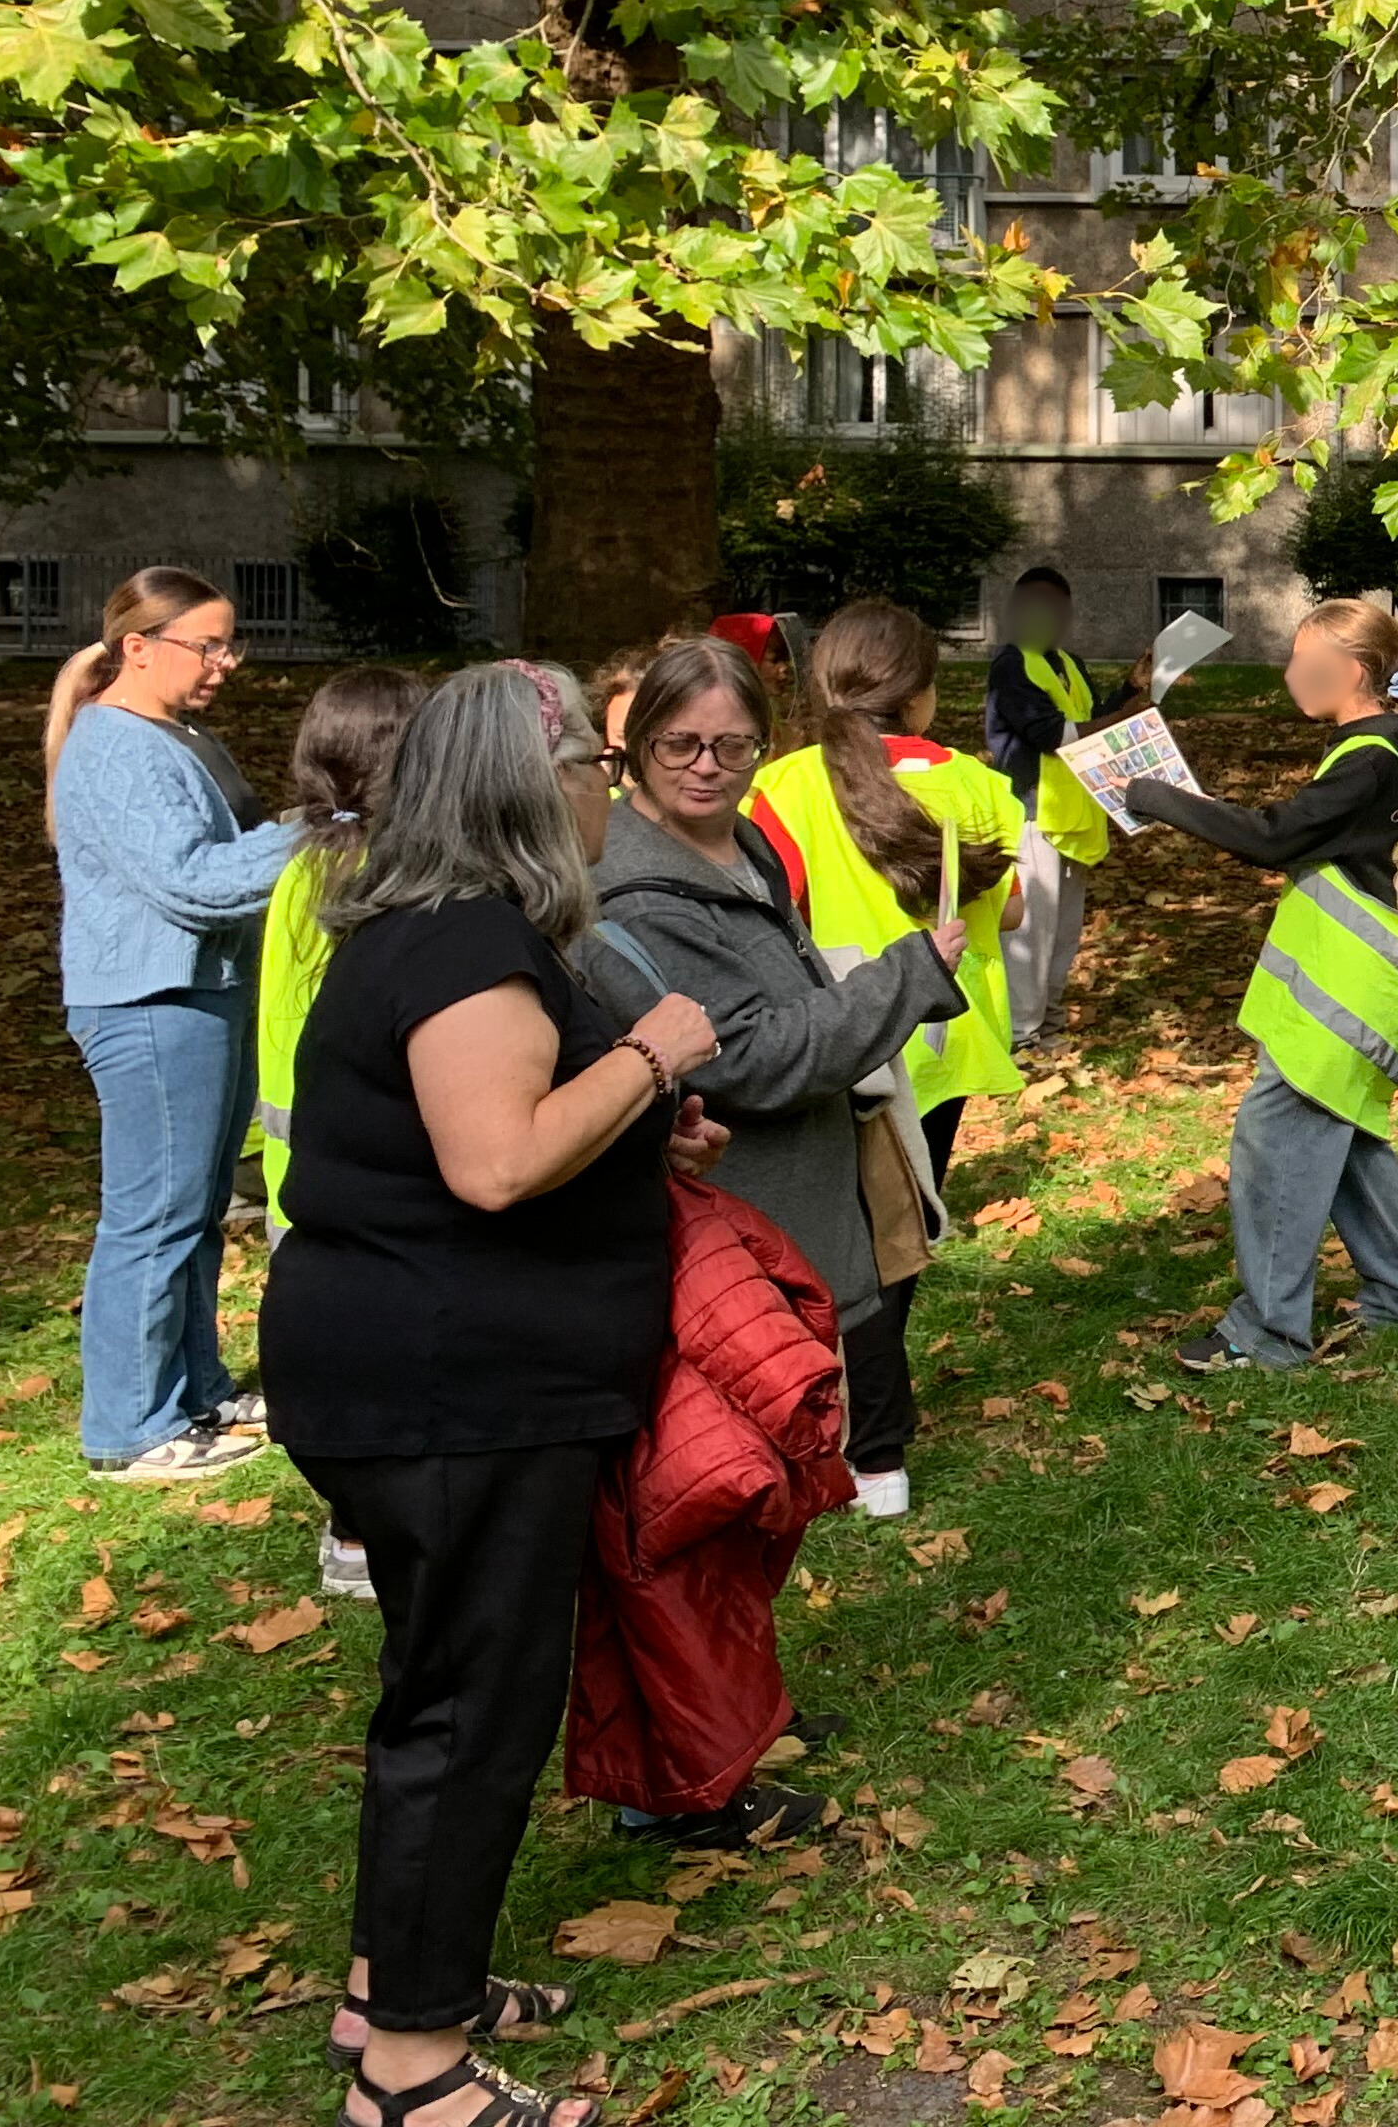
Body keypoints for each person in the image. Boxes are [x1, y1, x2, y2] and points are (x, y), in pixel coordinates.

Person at [264, 661, 729, 2127]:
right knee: (471, 1714)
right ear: (531, 787)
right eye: (594, 765)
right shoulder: (469, 943)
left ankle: (399, 1986)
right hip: (454, 1387)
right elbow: (496, 1160)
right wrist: (657, 1050)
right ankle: (413, 2071)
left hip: (441, 1373)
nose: (610, 787)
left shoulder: (448, 929)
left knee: (437, 1696)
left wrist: (643, 1121)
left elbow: (509, 1136)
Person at [586, 635, 968, 1534]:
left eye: (733, 745)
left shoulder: (744, 843)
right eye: (680, 744)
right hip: (721, 1237)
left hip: (784, 1217)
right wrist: (904, 978)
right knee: (717, 1486)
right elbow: (753, 1057)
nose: (707, 767)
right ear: (637, 744)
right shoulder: (637, 890)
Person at [1126, 599, 1398, 1372]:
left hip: (1343, 1004)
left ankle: (1266, 1335)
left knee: (1275, 1148)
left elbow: (1273, 837)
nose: (1286, 676)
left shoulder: (1369, 762)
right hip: (1363, 1000)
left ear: (1351, 672)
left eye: (1302, 663)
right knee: (1344, 1148)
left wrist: (1159, 798)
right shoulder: (1383, 751)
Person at [745, 603, 1023, 1513]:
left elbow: (763, 909)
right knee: (894, 1244)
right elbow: (1009, 912)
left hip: (833, 1040)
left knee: (825, 1244)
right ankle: (873, 1447)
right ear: (924, 692)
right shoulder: (979, 786)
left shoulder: (779, 788)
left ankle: (848, 1442)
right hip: (942, 1044)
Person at [48, 566, 305, 1486]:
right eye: (208, 645)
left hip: (202, 994)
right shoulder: (117, 745)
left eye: (230, 644)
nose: (225, 663)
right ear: (138, 648)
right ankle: (127, 1426)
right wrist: (321, 831)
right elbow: (194, 881)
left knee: (195, 1206)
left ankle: (196, 1388)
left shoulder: (178, 737)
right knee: (152, 1214)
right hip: (152, 1003)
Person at [255, 667, 428, 1603]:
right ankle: (368, 1528)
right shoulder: (377, 882)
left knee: (345, 1352)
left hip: (300, 1168)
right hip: (356, 1167)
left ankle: (352, 1532)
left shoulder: (301, 867)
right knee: (385, 1355)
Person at [982, 566, 1137, 1048]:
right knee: (1029, 934)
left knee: (1065, 934)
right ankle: (1021, 1038)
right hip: (1032, 817)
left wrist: (1133, 688)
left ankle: (1046, 1026)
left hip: (1076, 816)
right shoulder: (1012, 664)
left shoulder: (1067, 662)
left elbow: (1089, 721)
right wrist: (1119, 718)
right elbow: (1049, 734)